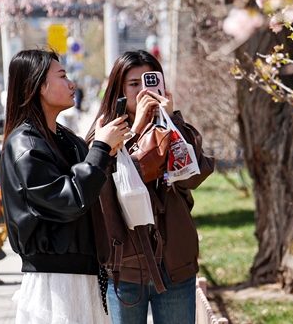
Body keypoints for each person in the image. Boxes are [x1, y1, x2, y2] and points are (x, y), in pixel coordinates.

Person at [0, 48, 130, 324]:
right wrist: (100, 149)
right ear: (39, 86)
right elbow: (68, 199)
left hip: (84, 275)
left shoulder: (66, 139)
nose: (72, 84)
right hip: (55, 281)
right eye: (62, 76)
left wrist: (105, 151)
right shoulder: (25, 144)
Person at [88, 50, 213, 324]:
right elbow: (104, 185)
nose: (143, 91)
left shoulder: (173, 129)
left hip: (174, 262)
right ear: (119, 89)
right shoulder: (103, 134)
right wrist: (137, 129)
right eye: (134, 84)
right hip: (125, 267)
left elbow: (192, 177)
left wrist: (172, 122)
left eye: (150, 81)